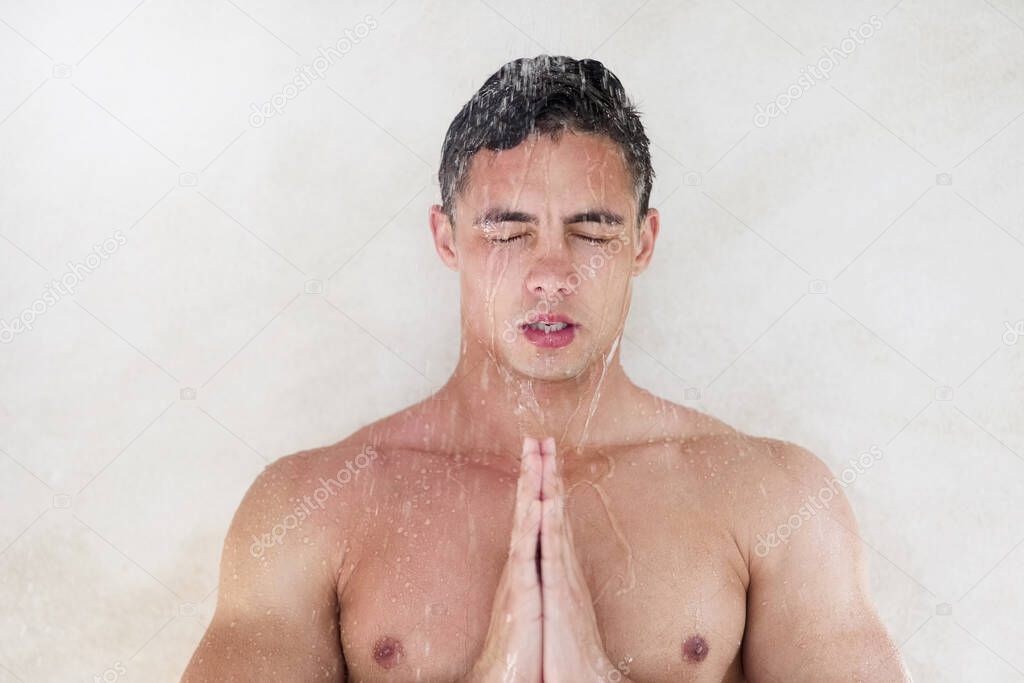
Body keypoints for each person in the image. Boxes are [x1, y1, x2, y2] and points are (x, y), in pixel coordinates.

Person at [182, 54, 910, 681]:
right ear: (446, 237)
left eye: (592, 228)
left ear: (643, 242)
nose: (550, 274)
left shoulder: (774, 499)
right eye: (508, 230)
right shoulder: (309, 508)